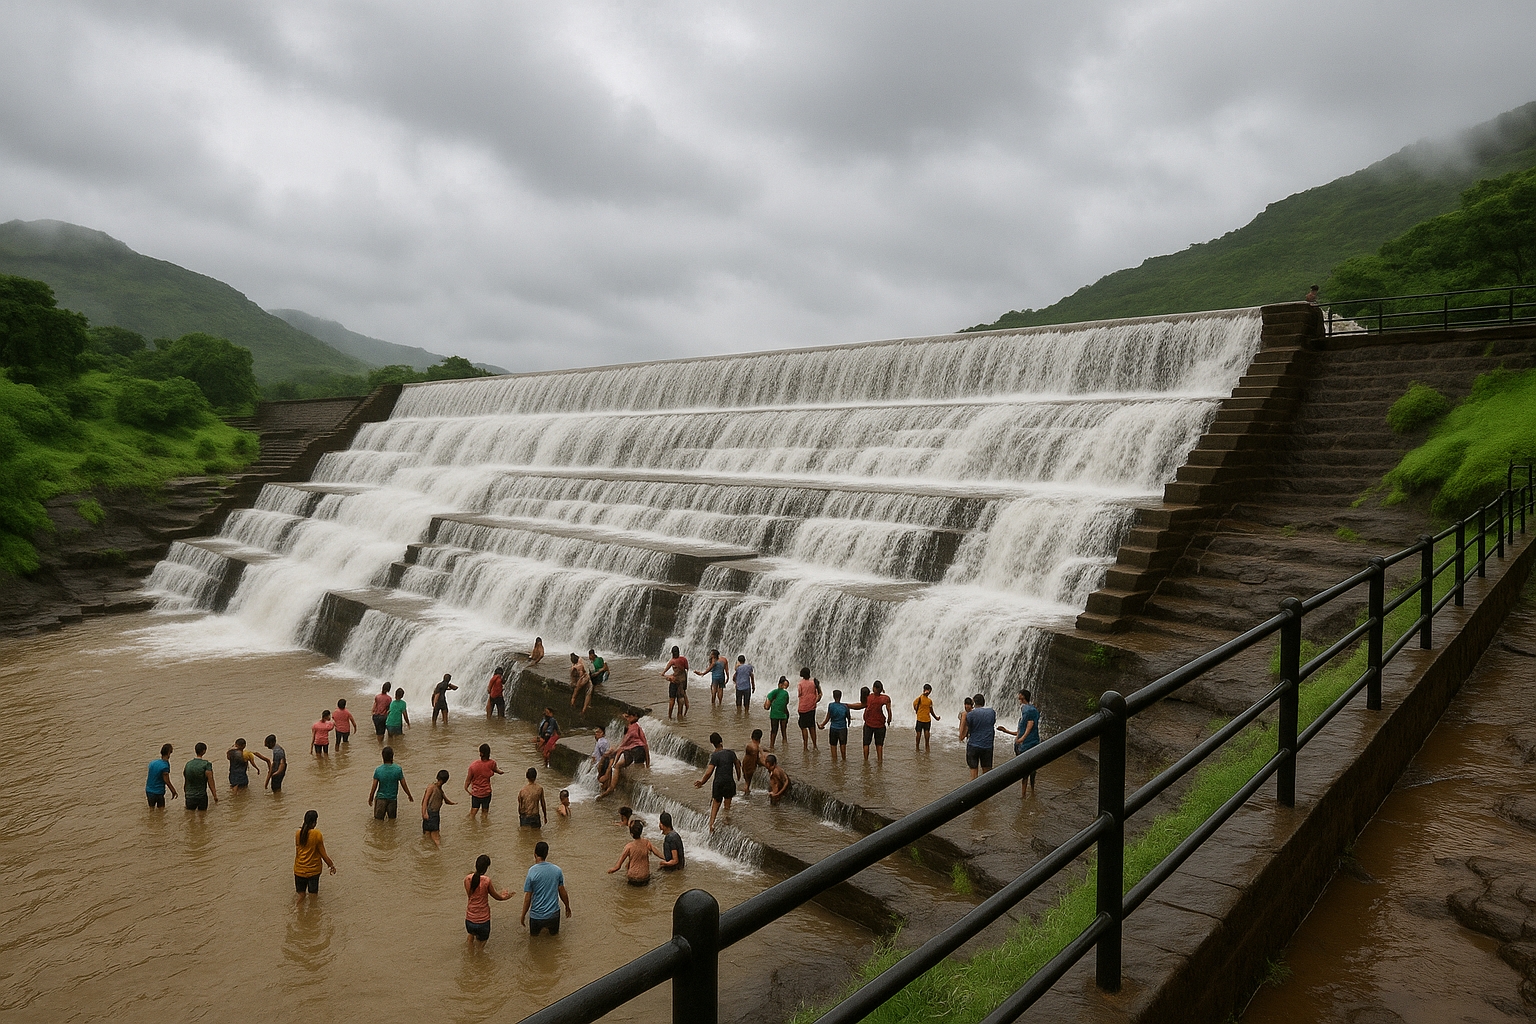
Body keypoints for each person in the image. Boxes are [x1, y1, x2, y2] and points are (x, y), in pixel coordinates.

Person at [997, 689, 1042, 796]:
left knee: (1025, 771)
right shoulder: (1028, 710)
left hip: (1027, 745)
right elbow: (1019, 732)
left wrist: (1022, 739)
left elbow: (1030, 725)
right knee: (1030, 770)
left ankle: (1025, 794)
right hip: (1026, 745)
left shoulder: (1028, 710)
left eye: (1019, 695)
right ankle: (1030, 792)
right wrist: (1005, 731)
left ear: (1023, 696)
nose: (1018, 697)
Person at [522, 842, 572, 936]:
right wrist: (567, 906)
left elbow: (528, 897)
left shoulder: (531, 871)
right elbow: (562, 892)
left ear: (534, 854)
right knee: (555, 940)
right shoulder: (557, 870)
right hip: (553, 915)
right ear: (547, 854)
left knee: (534, 943)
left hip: (536, 916)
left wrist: (523, 915)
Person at [694, 732, 740, 832]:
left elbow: (709, 772)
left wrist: (702, 782)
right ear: (721, 740)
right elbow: (737, 764)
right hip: (729, 782)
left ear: (712, 743)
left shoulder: (715, 756)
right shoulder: (731, 753)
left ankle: (712, 824)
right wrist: (739, 776)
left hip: (718, 783)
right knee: (727, 806)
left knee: (716, 804)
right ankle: (726, 823)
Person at [464, 854, 512, 943]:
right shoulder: (486, 881)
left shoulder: (467, 879)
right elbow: (496, 897)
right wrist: (504, 896)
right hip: (483, 921)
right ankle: (479, 956)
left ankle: (470, 954)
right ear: (486, 868)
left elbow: (470, 896)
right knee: (481, 947)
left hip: (469, 919)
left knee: (471, 935)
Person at [600, 712, 649, 797]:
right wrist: (648, 763)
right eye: (628, 717)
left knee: (635, 768)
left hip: (637, 750)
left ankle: (611, 788)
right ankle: (611, 787)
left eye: (629, 716)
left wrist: (614, 763)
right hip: (634, 750)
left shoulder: (631, 731)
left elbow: (619, 752)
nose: (628, 718)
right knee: (635, 768)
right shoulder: (635, 728)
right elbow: (645, 745)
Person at [293, 809, 335, 901]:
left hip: (299, 870)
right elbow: (323, 854)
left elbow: (298, 852)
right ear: (314, 822)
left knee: (301, 895)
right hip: (313, 871)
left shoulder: (298, 834)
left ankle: (297, 911)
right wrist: (331, 865)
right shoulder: (317, 834)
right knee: (313, 897)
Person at [607, 820, 659, 886]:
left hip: (633, 879)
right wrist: (665, 858)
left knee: (627, 865)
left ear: (631, 834)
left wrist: (608, 872)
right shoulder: (646, 843)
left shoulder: (628, 847)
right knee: (628, 864)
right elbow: (657, 853)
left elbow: (617, 867)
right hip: (645, 878)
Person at [369, 746, 413, 819]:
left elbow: (374, 786)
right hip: (392, 799)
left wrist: (370, 797)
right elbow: (404, 784)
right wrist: (409, 795)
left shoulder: (378, 770)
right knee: (392, 821)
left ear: (382, 756)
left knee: (378, 822)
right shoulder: (398, 769)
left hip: (381, 799)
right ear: (392, 756)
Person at [856, 681, 892, 766]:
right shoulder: (886, 698)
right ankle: (880, 762)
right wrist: (889, 720)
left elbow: (860, 705)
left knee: (866, 743)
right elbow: (889, 710)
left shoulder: (869, 697)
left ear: (874, 688)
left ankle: (866, 761)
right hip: (880, 725)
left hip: (869, 724)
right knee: (879, 745)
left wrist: (848, 705)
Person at [964, 693, 998, 780]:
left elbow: (969, 729)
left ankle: (974, 792)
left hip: (973, 746)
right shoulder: (992, 712)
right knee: (986, 773)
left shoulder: (970, 714)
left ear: (974, 703)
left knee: (973, 774)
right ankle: (986, 792)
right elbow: (991, 723)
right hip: (987, 746)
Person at [465, 743, 504, 817]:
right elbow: (497, 770)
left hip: (476, 794)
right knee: (485, 813)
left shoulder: (473, 766)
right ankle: (484, 826)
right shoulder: (492, 763)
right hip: (487, 793)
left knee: (472, 813)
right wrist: (501, 772)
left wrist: (467, 789)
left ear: (481, 753)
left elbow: (468, 781)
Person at [422, 769, 455, 847]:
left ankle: (428, 851)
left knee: (427, 836)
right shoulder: (432, 787)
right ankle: (439, 854)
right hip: (432, 814)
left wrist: (452, 803)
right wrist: (424, 813)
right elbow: (424, 801)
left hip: (430, 813)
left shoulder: (438, 788)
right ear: (446, 781)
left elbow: (446, 800)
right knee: (436, 837)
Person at [183, 743, 217, 811]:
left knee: (190, 817)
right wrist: (215, 795)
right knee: (202, 817)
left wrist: (186, 793)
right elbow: (210, 781)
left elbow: (186, 779)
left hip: (189, 795)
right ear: (204, 751)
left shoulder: (188, 764)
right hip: (201, 796)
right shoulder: (207, 764)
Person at [820, 690, 851, 763]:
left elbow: (828, 718)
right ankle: (843, 762)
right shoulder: (845, 707)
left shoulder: (831, 705)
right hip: (842, 729)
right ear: (841, 696)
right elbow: (848, 718)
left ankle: (834, 764)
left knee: (833, 746)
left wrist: (822, 725)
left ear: (833, 696)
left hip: (833, 728)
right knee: (843, 748)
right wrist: (848, 724)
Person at [796, 668, 822, 751]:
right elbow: (819, 694)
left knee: (803, 727)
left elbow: (799, 694)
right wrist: (815, 701)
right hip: (812, 707)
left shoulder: (800, 683)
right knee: (812, 726)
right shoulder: (813, 683)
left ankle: (805, 746)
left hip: (803, 707)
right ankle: (815, 745)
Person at [146, 743, 178, 807]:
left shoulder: (152, 763)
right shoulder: (165, 766)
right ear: (169, 753)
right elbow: (166, 781)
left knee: (151, 809)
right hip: (158, 792)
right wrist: (173, 791)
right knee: (161, 810)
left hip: (149, 790)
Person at [912, 683, 941, 753]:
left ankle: (926, 748)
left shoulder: (929, 701)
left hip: (927, 720)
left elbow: (931, 710)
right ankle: (918, 748)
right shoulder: (920, 698)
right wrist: (917, 710)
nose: (928, 692)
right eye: (928, 690)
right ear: (924, 690)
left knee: (926, 735)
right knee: (919, 734)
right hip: (920, 719)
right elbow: (914, 705)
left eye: (929, 691)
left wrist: (936, 717)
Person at [663, 646, 689, 720]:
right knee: (680, 701)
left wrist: (664, 674)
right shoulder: (684, 659)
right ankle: (680, 717)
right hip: (682, 683)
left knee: (672, 700)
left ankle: (670, 717)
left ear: (672, 653)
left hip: (674, 682)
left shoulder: (672, 661)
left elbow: (665, 670)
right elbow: (687, 669)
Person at [764, 677, 791, 750]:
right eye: (785, 686)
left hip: (774, 714)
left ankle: (771, 746)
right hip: (783, 714)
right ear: (781, 685)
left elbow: (766, 707)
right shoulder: (785, 693)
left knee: (774, 731)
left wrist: (768, 704)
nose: (785, 688)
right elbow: (786, 703)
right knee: (784, 730)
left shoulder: (773, 692)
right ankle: (785, 744)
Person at [740, 729, 763, 797]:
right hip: (750, 765)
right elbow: (758, 758)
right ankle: (746, 795)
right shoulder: (756, 748)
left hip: (744, 763)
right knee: (748, 782)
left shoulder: (750, 745)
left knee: (746, 780)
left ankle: (746, 792)